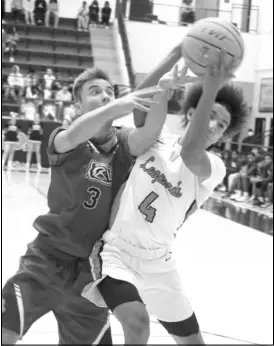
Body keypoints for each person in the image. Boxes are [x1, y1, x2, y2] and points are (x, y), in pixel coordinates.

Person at [82, 51, 249, 344]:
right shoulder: (155, 139)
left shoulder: (213, 167)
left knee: (193, 341)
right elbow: (142, 98)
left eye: (221, 125)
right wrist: (174, 60)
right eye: (209, 115)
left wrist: (210, 89)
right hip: (116, 252)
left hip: (160, 263)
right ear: (189, 114)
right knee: (137, 323)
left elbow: (190, 152)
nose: (213, 126)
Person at [1, 65, 165, 344]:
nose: (105, 95)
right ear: (77, 103)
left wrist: (169, 70)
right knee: (5, 330)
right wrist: (115, 107)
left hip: (91, 272)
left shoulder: (124, 143)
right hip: (46, 259)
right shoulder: (65, 137)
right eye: (95, 91)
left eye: (109, 92)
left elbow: (149, 132)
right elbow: (76, 134)